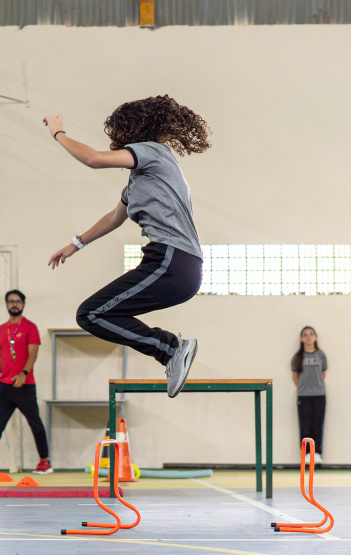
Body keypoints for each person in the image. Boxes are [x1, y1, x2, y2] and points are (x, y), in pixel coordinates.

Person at [43, 95, 209, 398]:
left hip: (171, 260)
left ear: (130, 132)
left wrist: (58, 133)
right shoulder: (139, 181)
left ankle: (171, 349)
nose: (113, 143)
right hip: (180, 266)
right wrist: (75, 244)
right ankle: (169, 349)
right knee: (94, 314)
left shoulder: (154, 152)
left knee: (91, 314)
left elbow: (93, 159)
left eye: (116, 135)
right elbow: (114, 218)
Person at [0, 290, 53, 474]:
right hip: (4, 385)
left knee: (34, 422)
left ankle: (45, 462)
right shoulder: (1, 329)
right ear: (6, 304)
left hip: (24, 385)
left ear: (23, 304)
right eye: (10, 301)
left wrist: (23, 373)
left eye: (18, 301)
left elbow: (33, 354)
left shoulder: (30, 327)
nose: (14, 304)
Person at [292, 326, 327, 463]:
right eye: (305, 334)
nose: (308, 337)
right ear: (301, 338)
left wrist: (315, 386)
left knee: (318, 424)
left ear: (316, 337)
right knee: (305, 425)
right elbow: (295, 376)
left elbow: (323, 374)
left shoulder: (321, 355)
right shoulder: (298, 357)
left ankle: (317, 453)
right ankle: (306, 454)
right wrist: (304, 387)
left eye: (311, 334)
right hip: (303, 395)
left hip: (319, 394)